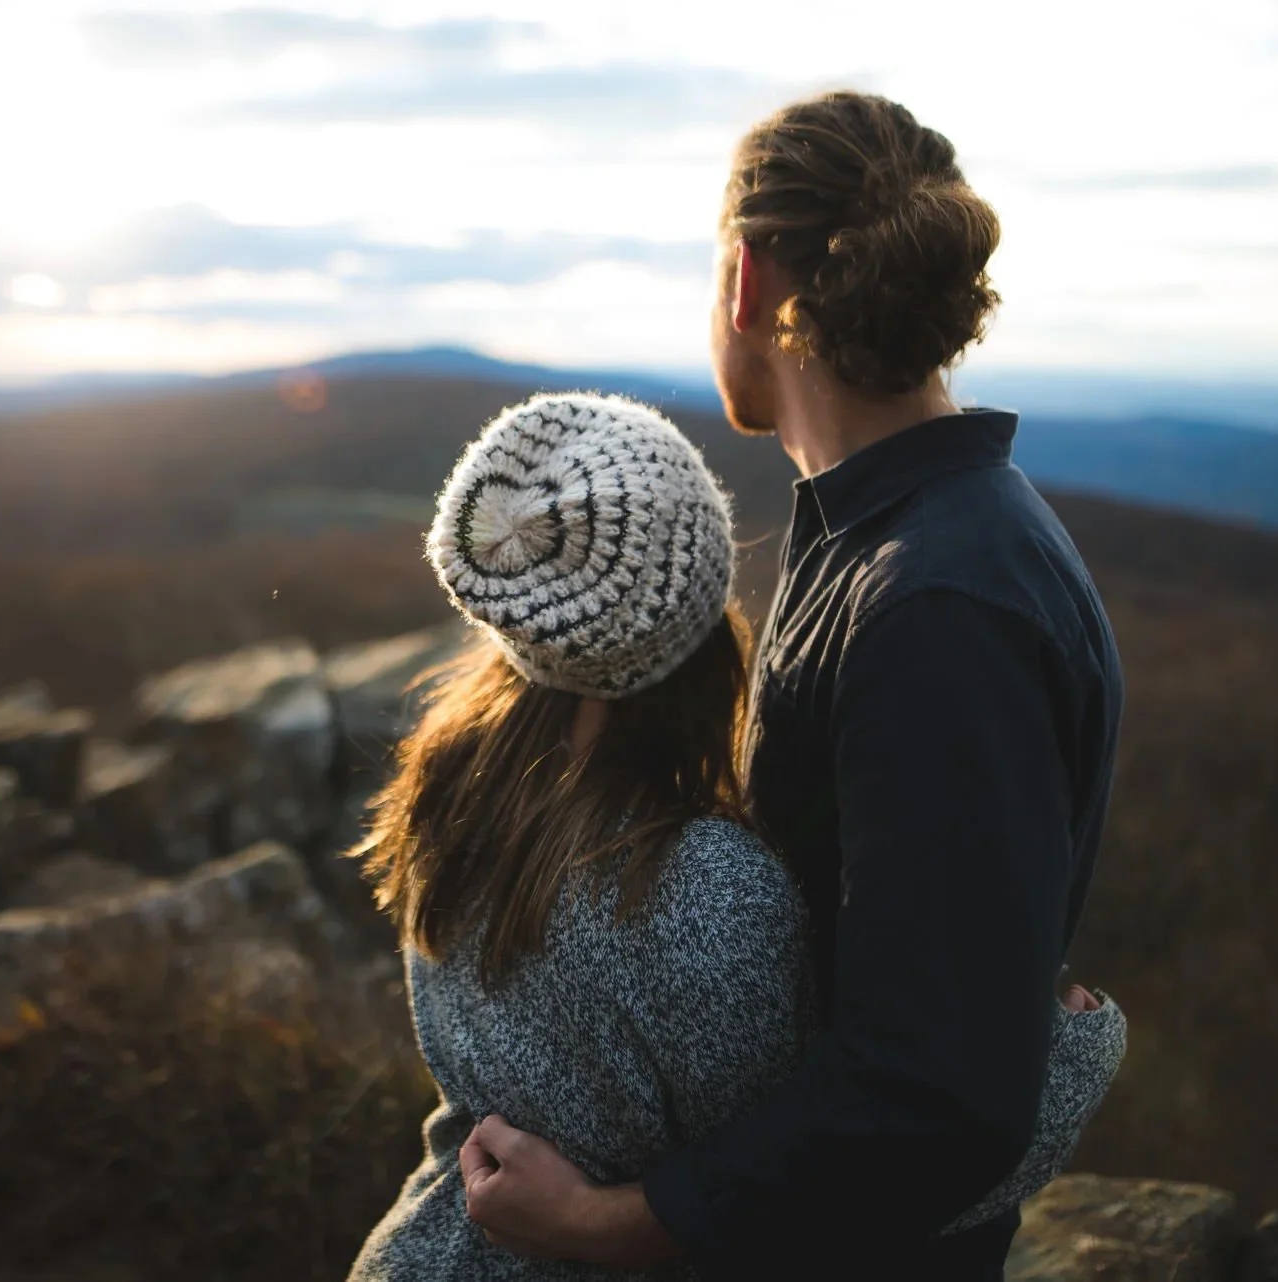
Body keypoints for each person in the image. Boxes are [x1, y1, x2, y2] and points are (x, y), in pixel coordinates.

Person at [452, 93, 1127, 1280]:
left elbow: (935, 1095)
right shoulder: (888, 537)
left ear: (748, 283)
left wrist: (601, 1225)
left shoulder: (938, 610)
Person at [346, 391, 1126, 1282]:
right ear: (701, 596)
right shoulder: (697, 894)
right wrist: (1073, 1062)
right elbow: (836, 1197)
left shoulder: (449, 794)